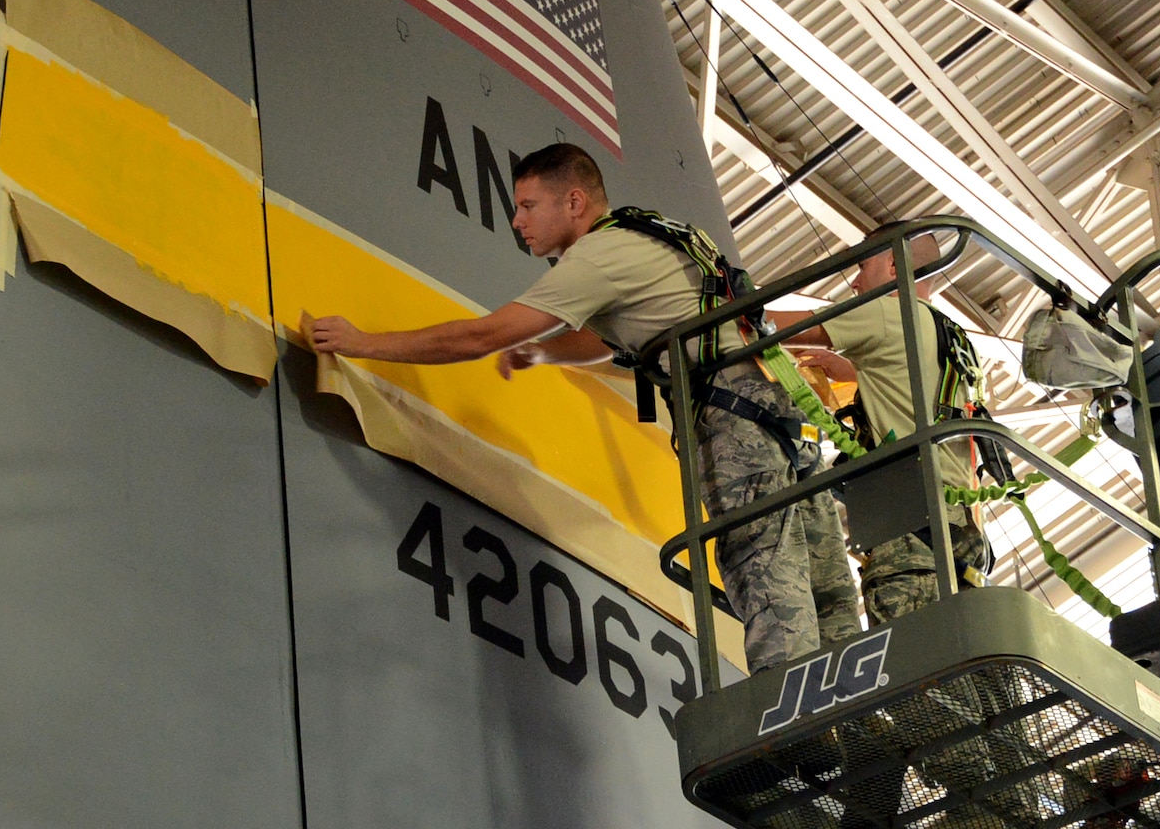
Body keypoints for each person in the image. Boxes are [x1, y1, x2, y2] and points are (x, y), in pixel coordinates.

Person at [301, 143, 860, 672]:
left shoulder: (598, 256)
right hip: (785, 416)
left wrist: (362, 342)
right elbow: (626, 334)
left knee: (763, 569)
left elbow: (478, 337)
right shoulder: (646, 236)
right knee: (827, 585)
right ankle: (858, 721)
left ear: (574, 202)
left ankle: (798, 725)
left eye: (527, 205)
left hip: (734, 419)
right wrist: (544, 354)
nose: (517, 221)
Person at [769, 231, 996, 628]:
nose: (855, 283)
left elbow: (774, 327)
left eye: (863, 267)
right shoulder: (954, 337)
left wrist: (720, 308)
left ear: (894, 267)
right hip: (960, 538)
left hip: (912, 540)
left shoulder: (890, 312)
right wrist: (857, 373)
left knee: (916, 674)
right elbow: (918, 397)